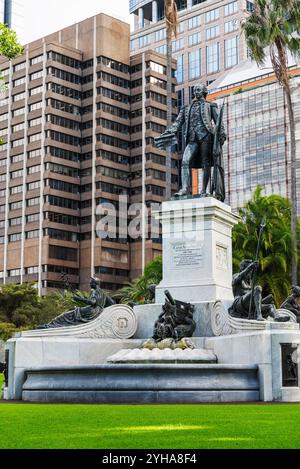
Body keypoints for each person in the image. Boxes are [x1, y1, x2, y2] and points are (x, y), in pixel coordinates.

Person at [155, 83, 226, 199]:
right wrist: (168, 132)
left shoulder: (210, 106)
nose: (196, 91)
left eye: (199, 89)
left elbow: (218, 122)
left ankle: (203, 190)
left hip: (206, 136)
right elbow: (177, 123)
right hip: (192, 138)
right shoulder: (186, 108)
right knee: (185, 161)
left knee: (205, 163)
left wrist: (222, 134)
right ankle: (184, 189)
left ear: (204, 92)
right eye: (195, 90)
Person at [37, 277, 115, 329]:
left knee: (67, 314)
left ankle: (50, 325)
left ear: (95, 284)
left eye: (91, 282)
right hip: (97, 311)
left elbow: (92, 302)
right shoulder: (104, 293)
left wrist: (77, 298)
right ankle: (50, 325)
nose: (90, 284)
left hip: (91, 311)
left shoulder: (95, 292)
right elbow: (112, 303)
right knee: (70, 313)